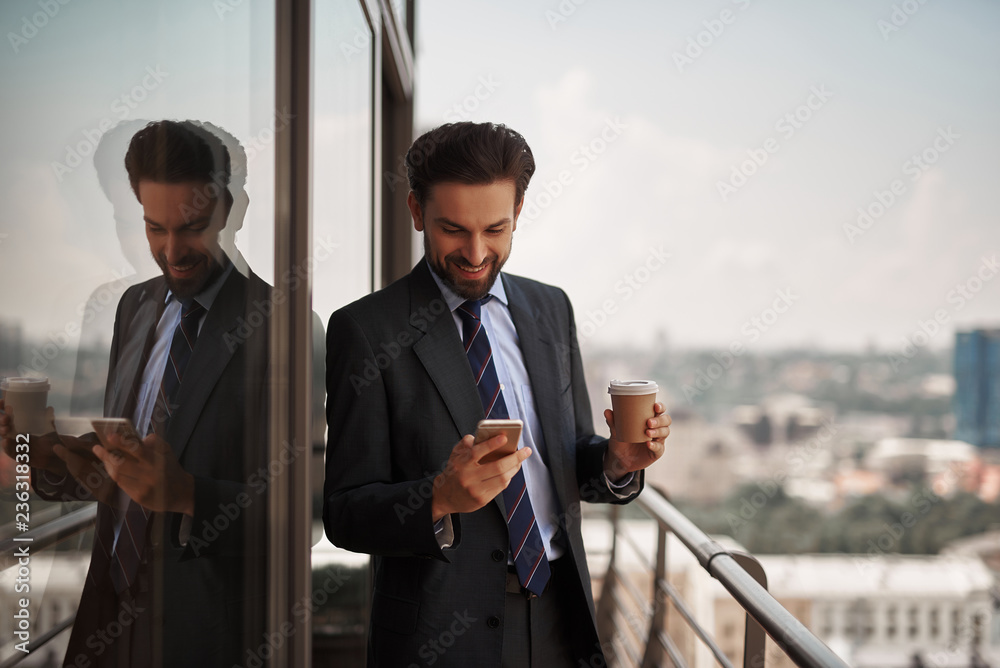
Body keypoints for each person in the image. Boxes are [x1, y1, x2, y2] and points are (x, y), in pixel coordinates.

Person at [324, 121, 671, 666]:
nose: (476, 252)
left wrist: (615, 462)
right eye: (453, 230)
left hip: (562, 616)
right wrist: (438, 499)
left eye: (496, 229)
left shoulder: (551, 309)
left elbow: (564, 460)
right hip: (440, 634)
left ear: (520, 212)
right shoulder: (366, 331)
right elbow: (344, 513)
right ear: (416, 212)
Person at [1, 120, 270, 667]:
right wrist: (49, 453)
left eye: (192, 227)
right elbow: (120, 478)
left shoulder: (283, 324)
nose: (172, 251)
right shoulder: (134, 308)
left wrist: (188, 494)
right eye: (154, 227)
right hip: (107, 614)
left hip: (205, 633)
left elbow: (303, 512)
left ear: (232, 211)